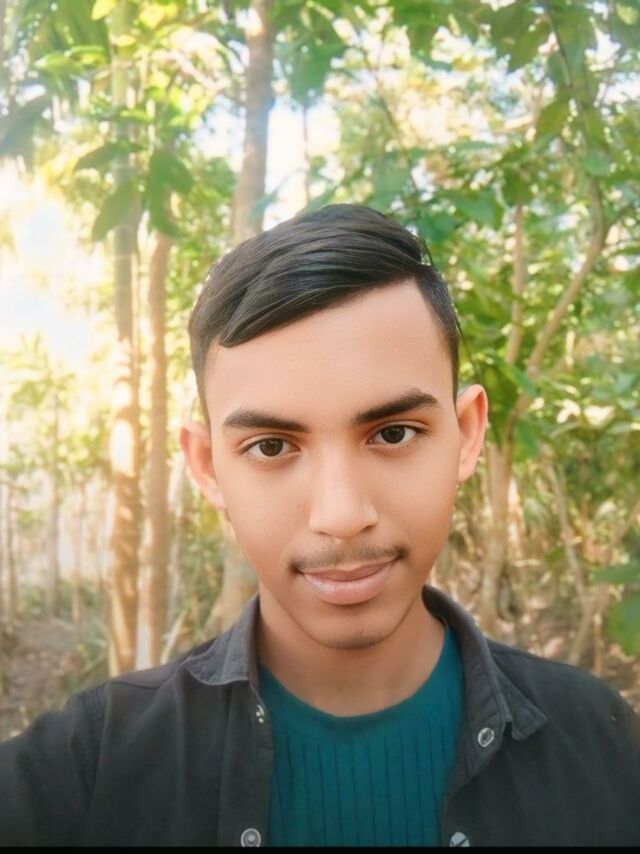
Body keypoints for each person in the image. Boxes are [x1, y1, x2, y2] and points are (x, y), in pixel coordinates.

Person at [0, 204, 638, 847]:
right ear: (209, 467)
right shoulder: (87, 768)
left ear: (466, 434)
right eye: (272, 446)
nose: (341, 516)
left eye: (394, 433)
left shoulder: (602, 745)